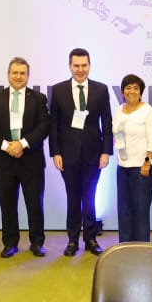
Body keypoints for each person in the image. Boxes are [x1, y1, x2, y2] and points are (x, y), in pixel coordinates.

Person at [0, 57, 50, 257]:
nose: (18, 76)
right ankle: (10, 243)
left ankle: (37, 243)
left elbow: (44, 126)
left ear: (28, 76)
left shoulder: (38, 98)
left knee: (35, 204)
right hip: (4, 161)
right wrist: (8, 146)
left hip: (31, 160)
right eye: (15, 72)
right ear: (8, 74)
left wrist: (22, 144)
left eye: (22, 73)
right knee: (7, 205)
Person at [49, 48, 112, 256]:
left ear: (89, 66)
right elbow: (53, 124)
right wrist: (55, 152)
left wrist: (106, 151)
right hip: (67, 155)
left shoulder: (101, 90)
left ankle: (91, 239)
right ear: (70, 66)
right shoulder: (58, 90)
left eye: (84, 65)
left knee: (90, 197)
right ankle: (72, 240)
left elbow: (107, 121)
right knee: (73, 197)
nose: (80, 69)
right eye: (76, 66)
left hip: (94, 154)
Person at [111, 74, 152, 242]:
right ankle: (125, 245)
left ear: (141, 92)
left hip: (142, 168)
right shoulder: (119, 110)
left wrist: (147, 162)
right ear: (122, 92)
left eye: (136, 88)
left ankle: (141, 247)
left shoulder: (148, 112)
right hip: (123, 167)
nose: (132, 91)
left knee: (140, 210)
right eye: (128, 88)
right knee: (123, 209)